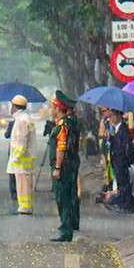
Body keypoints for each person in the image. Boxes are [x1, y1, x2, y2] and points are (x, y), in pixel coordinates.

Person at [48, 90, 82, 242]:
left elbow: (61, 148)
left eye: (53, 106)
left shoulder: (62, 126)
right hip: (72, 163)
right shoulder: (71, 122)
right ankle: (72, 224)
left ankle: (65, 230)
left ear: (58, 108)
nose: (51, 109)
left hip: (64, 165)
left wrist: (57, 167)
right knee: (71, 195)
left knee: (63, 198)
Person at [7, 94, 37, 214]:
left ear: (14, 107)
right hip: (28, 159)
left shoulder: (21, 121)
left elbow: (20, 142)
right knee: (27, 185)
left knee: (23, 185)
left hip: (22, 160)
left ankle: (24, 207)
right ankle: (28, 206)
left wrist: (15, 159)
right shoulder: (27, 118)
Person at [103, 108, 134, 212]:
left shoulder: (123, 128)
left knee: (124, 184)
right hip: (116, 160)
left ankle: (127, 205)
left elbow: (125, 146)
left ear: (117, 116)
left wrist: (125, 159)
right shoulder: (115, 129)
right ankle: (123, 203)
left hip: (122, 160)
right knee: (120, 183)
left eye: (112, 117)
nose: (111, 120)